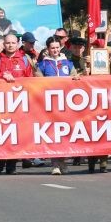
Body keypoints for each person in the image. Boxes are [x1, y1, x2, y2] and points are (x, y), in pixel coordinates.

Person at [0, 33, 33, 174]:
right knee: (0, 134)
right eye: (8, 43)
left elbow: (30, 80)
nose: (10, 45)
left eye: (13, 43)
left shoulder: (24, 60)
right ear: (3, 44)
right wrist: (1, 76)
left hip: (18, 104)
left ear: (18, 44)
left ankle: (12, 166)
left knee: (15, 135)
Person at [36, 36, 84, 174]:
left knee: (64, 134)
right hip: (50, 105)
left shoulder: (68, 63)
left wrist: (76, 78)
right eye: (52, 48)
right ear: (48, 49)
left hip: (66, 105)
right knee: (53, 134)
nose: (55, 50)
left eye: (57, 47)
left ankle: (62, 162)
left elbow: (76, 78)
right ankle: (55, 164)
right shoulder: (42, 65)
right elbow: (36, 83)